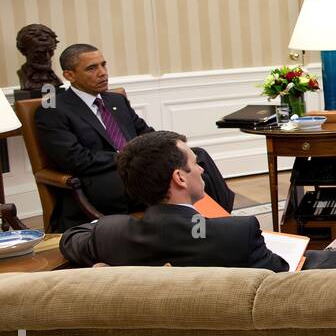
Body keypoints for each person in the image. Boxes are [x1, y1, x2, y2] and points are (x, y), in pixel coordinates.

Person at [35, 43, 236, 229]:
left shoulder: (116, 100)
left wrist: (172, 147)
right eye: (92, 68)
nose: (103, 73)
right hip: (102, 180)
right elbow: (75, 159)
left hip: (137, 170)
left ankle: (223, 220)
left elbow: (146, 134)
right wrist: (131, 157)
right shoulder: (53, 109)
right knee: (179, 177)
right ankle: (203, 227)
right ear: (69, 75)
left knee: (196, 156)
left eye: (103, 65)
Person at [59, 131, 286, 270]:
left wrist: (104, 228)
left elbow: (70, 238)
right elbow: (281, 273)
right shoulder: (238, 232)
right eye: (196, 163)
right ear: (180, 178)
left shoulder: (110, 235)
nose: (200, 169)